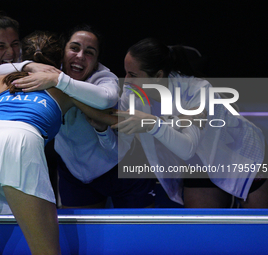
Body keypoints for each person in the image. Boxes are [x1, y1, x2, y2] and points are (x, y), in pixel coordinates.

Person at [0, 30, 117, 255]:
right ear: (59, 60)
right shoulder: (66, 88)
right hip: (21, 140)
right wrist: (152, 123)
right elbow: (109, 117)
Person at [8, 25, 156, 208]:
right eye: (74, 48)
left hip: (121, 167)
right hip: (74, 173)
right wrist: (29, 65)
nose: (79, 56)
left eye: (89, 52)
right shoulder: (49, 72)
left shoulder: (103, 78)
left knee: (137, 233)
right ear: (62, 52)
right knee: (82, 236)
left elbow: (105, 99)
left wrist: (59, 82)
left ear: (96, 62)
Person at [112, 37, 268, 208]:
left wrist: (152, 123)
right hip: (199, 165)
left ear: (158, 76)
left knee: (256, 229)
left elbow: (187, 148)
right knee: (202, 231)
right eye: (126, 72)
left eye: (133, 75)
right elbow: (119, 128)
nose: (126, 80)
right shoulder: (131, 94)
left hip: (241, 155)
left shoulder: (197, 90)